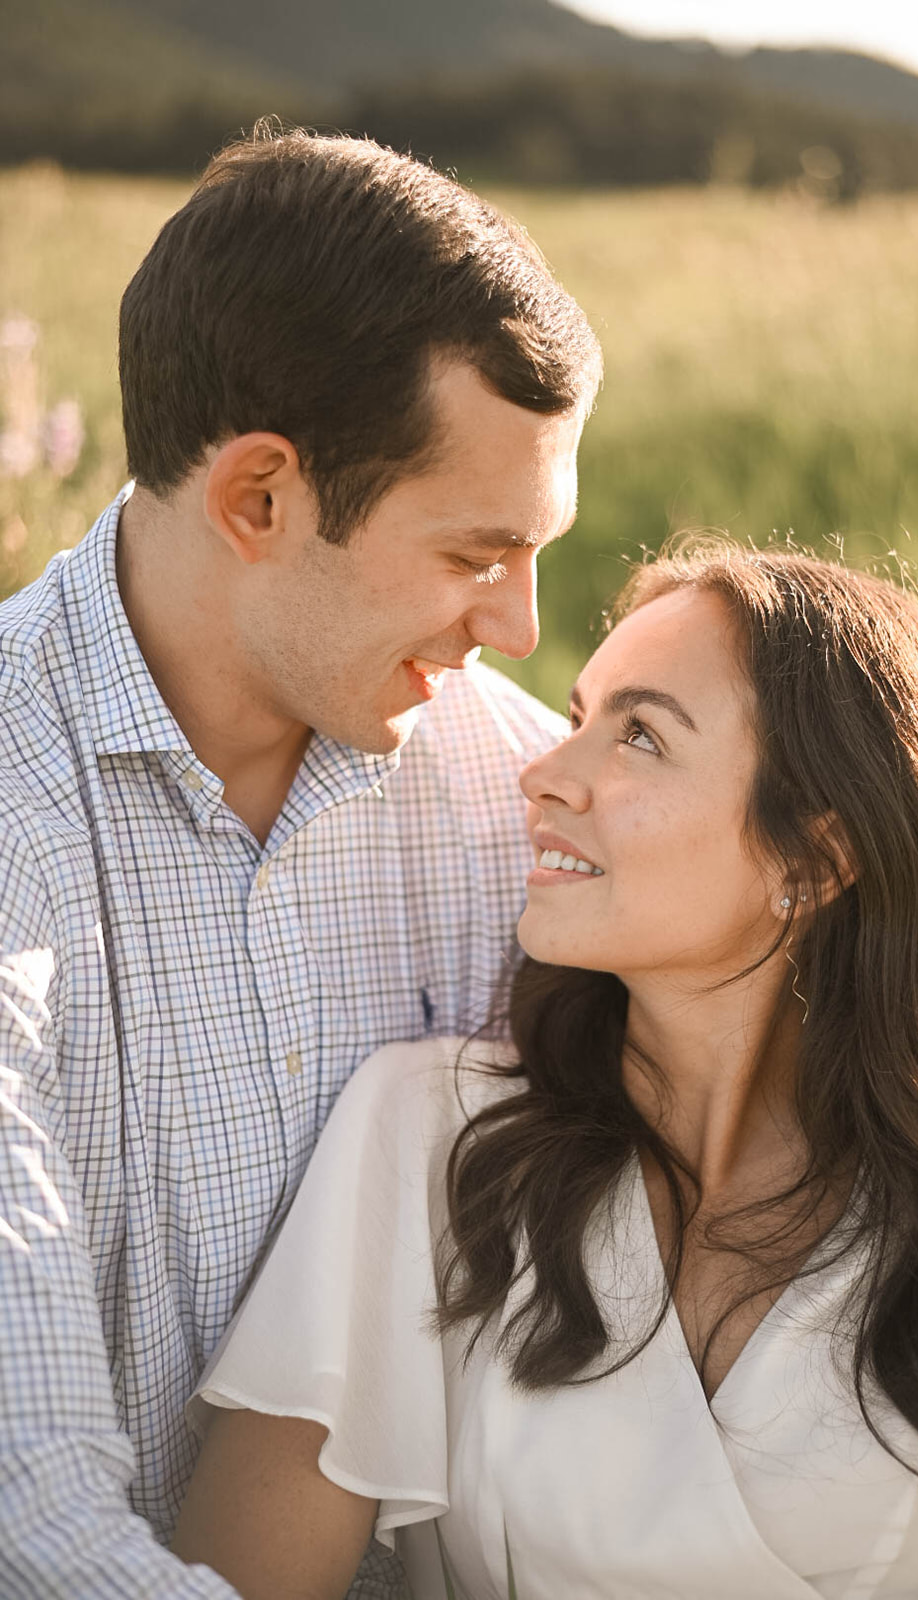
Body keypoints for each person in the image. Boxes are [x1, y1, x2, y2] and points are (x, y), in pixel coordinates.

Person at [174, 538, 918, 1600]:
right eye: (575, 719)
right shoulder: (430, 1139)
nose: (545, 775)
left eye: (639, 735)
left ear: (814, 861)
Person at [0, 126, 601, 1598]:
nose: (519, 627)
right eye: (475, 554)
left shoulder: (523, 804)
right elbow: (30, 1512)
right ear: (259, 499)